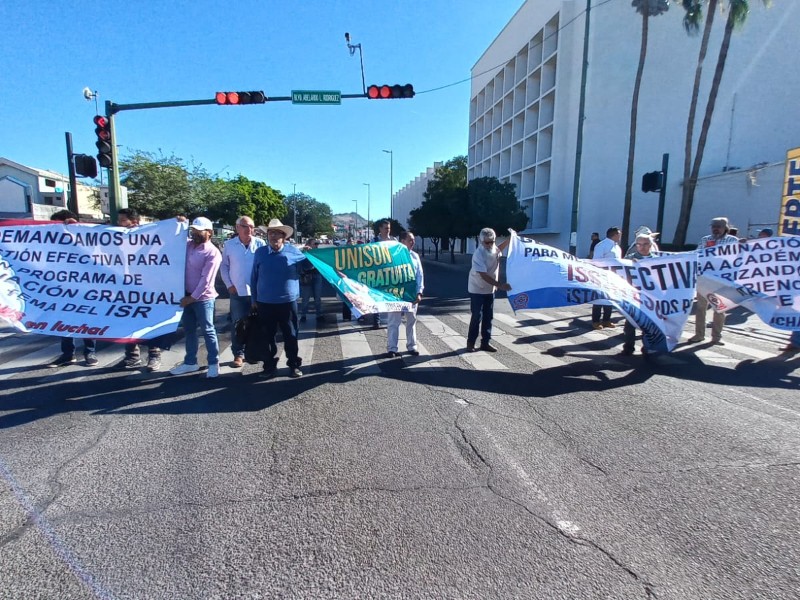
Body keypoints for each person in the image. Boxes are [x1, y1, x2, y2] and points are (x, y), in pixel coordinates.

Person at [251, 218, 308, 379]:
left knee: (290, 335)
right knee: (267, 337)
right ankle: (269, 366)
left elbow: (308, 267)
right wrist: (253, 300)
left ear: (284, 237)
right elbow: (253, 277)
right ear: (267, 235)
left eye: (277, 233)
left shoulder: (294, 252)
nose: (273, 236)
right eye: (270, 233)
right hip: (264, 302)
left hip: (287, 302)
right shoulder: (260, 253)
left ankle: (294, 365)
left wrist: (310, 255)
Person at [114, 208, 166, 372]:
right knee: (129, 321)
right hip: (125, 287)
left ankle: (154, 356)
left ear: (134, 222)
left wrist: (179, 222)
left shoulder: (150, 237)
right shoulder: (115, 236)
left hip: (147, 287)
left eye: (122, 220)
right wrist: (72, 227)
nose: (119, 224)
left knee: (149, 322)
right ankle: (132, 356)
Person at [169, 217, 222, 378]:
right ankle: (190, 362)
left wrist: (191, 298)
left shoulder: (213, 252)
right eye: (193, 230)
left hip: (203, 299)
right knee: (189, 330)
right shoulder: (188, 245)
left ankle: (213, 363)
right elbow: (172, 236)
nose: (195, 233)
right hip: (186, 296)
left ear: (210, 232)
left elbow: (206, 280)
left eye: (199, 230)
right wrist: (178, 223)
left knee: (208, 330)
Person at [47, 209, 98, 367]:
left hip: (85, 288)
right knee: (63, 321)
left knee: (86, 321)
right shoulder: (52, 240)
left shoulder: (85, 236)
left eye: (57, 224)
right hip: (62, 289)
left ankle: (90, 352)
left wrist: (76, 227)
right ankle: (68, 354)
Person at [220, 216, 265, 368]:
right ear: (237, 227)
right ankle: (238, 354)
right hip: (237, 291)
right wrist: (228, 285)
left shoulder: (260, 244)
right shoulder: (229, 245)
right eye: (245, 226)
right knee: (238, 324)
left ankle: (253, 353)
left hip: (257, 292)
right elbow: (224, 267)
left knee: (257, 323)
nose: (249, 230)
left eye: (251, 227)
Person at [688, 216, 740, 345]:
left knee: (719, 309)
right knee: (701, 308)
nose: (716, 229)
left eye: (719, 227)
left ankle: (716, 337)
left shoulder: (732, 240)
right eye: (713, 227)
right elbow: (697, 255)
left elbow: (739, 257)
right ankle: (699, 335)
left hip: (721, 281)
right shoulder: (705, 240)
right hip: (704, 280)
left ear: (725, 228)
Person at [466, 227, 511, 352]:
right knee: (477, 315)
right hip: (477, 288)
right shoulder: (478, 254)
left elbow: (499, 249)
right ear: (481, 241)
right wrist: (500, 284)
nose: (490, 244)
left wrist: (510, 239)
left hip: (490, 289)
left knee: (488, 316)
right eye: (487, 242)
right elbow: (483, 275)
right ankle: (471, 342)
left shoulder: (492, 249)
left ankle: (485, 342)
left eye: (492, 241)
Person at [386, 231, 424, 357]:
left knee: (411, 321)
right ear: (402, 241)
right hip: (395, 295)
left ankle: (412, 346)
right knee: (393, 322)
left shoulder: (415, 256)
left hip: (411, 295)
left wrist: (419, 292)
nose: (413, 242)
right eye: (410, 240)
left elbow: (419, 275)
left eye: (413, 240)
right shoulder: (392, 256)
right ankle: (392, 348)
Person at [620, 234, 659, 356]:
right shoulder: (628, 259)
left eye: (645, 244)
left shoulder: (657, 260)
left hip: (650, 298)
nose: (642, 247)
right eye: (639, 244)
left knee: (648, 326)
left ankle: (646, 348)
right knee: (630, 325)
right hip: (633, 297)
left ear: (651, 245)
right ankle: (628, 348)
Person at [364, 219, 397, 330]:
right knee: (376, 298)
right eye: (386, 228)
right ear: (380, 229)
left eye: (389, 228)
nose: (388, 230)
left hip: (390, 274)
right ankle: (376, 321)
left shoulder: (394, 240)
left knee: (390, 297)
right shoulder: (374, 241)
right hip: (377, 274)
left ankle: (390, 320)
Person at [590, 227, 622, 330]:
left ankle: (606, 320)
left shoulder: (617, 247)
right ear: (614, 235)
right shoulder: (602, 245)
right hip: (602, 276)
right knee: (599, 299)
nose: (620, 236)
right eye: (619, 234)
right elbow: (596, 261)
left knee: (609, 299)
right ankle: (596, 321)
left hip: (613, 276)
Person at [299, 239, 325, 323]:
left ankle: (319, 314)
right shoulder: (303, 252)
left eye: (317, 244)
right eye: (315, 244)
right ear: (309, 244)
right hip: (306, 275)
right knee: (305, 298)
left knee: (317, 297)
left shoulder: (318, 253)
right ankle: (303, 315)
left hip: (317, 275)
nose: (316, 246)